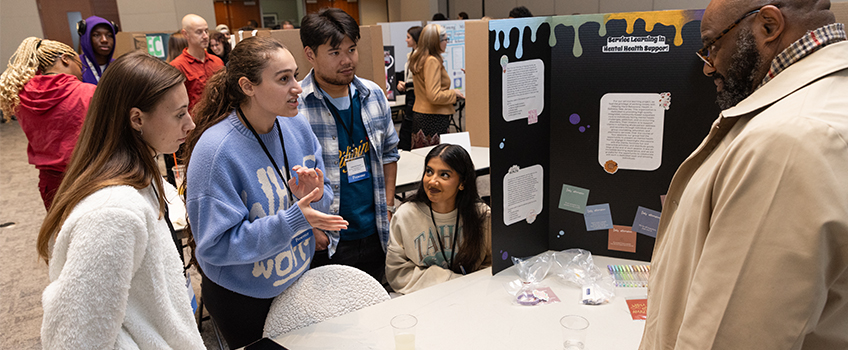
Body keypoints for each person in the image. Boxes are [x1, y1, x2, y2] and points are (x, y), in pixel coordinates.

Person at [641, 0, 848, 349]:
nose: (708, 67)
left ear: (768, 25)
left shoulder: (788, 140)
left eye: (712, 46)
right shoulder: (824, 102)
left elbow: (731, 335)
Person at [184, 36, 348, 348]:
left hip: (296, 278)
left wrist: (316, 196)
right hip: (243, 298)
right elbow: (214, 246)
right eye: (283, 79)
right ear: (248, 86)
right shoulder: (216, 150)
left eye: (296, 75)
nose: (297, 87)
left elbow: (320, 198)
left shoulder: (296, 126)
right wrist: (294, 219)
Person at [36, 51, 204, 349]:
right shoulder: (112, 212)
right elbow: (75, 339)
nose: (189, 124)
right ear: (137, 119)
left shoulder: (142, 177)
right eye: (179, 114)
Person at [298, 8, 400, 282]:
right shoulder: (295, 107)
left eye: (351, 49)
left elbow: (390, 154)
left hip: (374, 228)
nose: (347, 60)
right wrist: (310, 227)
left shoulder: (373, 95)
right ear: (310, 54)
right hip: (325, 238)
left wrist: (388, 207)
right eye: (334, 53)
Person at [0, 37, 96, 210]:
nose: (82, 71)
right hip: (87, 177)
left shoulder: (18, 97)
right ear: (66, 58)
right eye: (79, 64)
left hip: (50, 184)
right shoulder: (89, 93)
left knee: (62, 233)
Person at [386, 144, 491, 294]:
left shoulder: (482, 215)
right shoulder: (405, 216)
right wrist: (450, 281)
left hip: (471, 297)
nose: (432, 181)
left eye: (444, 175)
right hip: (421, 300)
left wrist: (467, 289)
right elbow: (396, 272)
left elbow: (492, 266)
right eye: (429, 172)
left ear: (462, 183)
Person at [408, 23, 464, 148]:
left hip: (422, 116)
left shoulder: (420, 58)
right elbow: (434, 95)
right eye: (445, 39)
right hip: (433, 118)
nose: (447, 43)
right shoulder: (432, 61)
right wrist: (453, 94)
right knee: (436, 158)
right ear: (435, 42)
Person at [170, 14, 224, 114]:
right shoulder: (177, 66)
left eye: (206, 31)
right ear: (185, 34)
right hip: (195, 124)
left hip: (219, 119)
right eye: (199, 32)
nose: (205, 36)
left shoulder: (217, 62)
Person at [397, 26, 422, 151]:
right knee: (407, 128)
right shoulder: (411, 55)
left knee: (408, 128)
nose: (406, 40)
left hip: (416, 96)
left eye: (408, 37)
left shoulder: (421, 57)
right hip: (410, 95)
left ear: (416, 39)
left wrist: (406, 85)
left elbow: (421, 81)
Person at [77, 16, 118, 84]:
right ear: (86, 38)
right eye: (96, 35)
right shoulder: (76, 65)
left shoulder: (118, 66)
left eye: (109, 35)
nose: (104, 40)